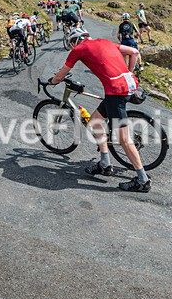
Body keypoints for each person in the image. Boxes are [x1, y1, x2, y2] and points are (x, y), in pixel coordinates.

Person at [47, 28, 151, 192]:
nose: (72, 46)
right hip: (128, 85)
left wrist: (51, 82)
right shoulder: (105, 41)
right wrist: (128, 74)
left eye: (71, 43)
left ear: (75, 41)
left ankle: (142, 180)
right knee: (95, 121)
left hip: (116, 91)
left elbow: (60, 76)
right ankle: (104, 163)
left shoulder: (78, 49)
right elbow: (134, 52)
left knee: (123, 139)